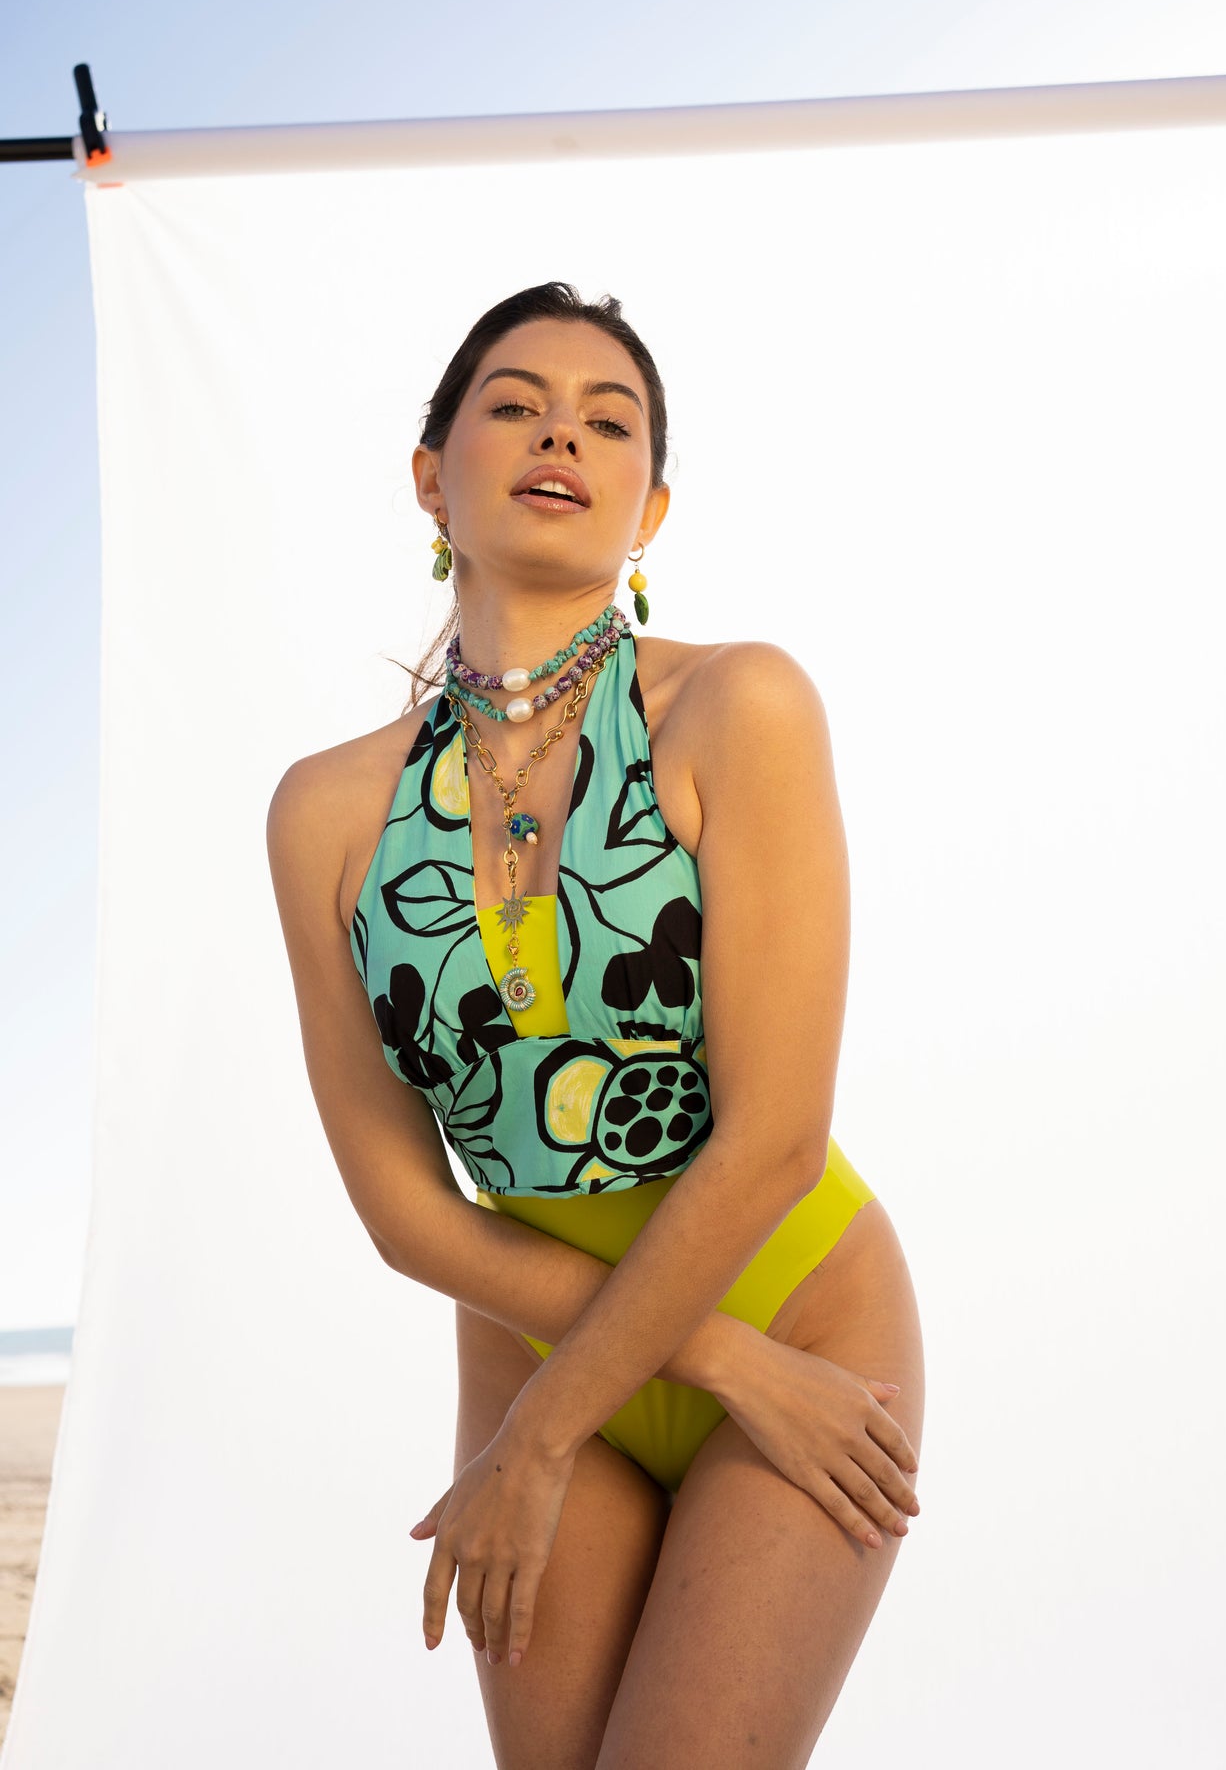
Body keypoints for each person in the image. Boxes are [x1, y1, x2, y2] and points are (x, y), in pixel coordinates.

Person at [267, 280, 926, 1768]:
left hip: (802, 1321)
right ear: (431, 477)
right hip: (564, 1346)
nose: (560, 432)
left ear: (652, 509)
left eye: (607, 420)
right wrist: (706, 1366)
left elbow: (774, 1139)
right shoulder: (324, 814)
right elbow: (402, 1211)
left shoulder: (736, 706)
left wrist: (559, 1429)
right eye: (515, 404)